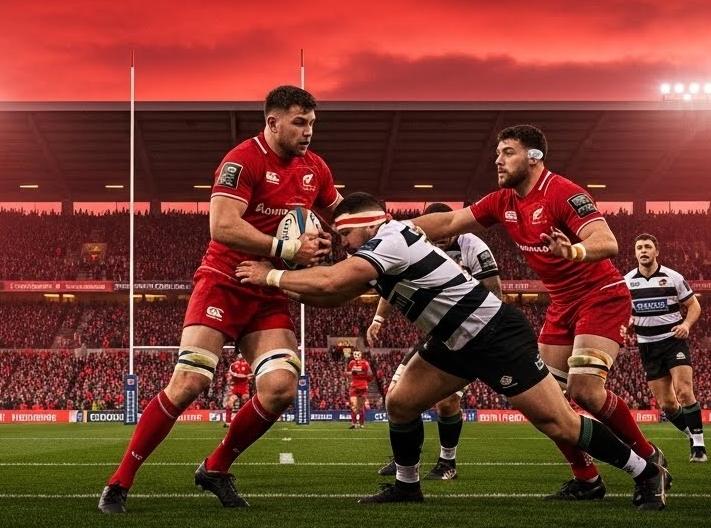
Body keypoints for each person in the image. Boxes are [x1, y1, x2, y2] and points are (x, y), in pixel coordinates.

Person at [236, 192, 669, 509]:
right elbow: (334, 294)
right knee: (401, 403)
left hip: (493, 334)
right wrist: (289, 287)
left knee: (558, 422)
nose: (341, 242)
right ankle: (408, 485)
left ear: (367, 225)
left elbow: (332, 282)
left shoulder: (389, 240)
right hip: (454, 339)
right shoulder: (379, 245)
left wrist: (272, 276)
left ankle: (645, 471)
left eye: (344, 234)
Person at [100, 85, 341, 513]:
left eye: (312, 123)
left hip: (268, 288)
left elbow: (341, 212)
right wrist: (287, 250)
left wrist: (340, 236)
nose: (308, 132)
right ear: (273, 122)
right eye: (299, 122)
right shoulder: (241, 160)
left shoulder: (315, 168)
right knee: (190, 381)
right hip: (223, 281)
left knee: (282, 388)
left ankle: (215, 467)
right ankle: (119, 482)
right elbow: (222, 226)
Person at [409, 125, 666, 501]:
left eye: (508, 152)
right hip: (561, 305)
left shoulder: (563, 192)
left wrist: (574, 251)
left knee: (586, 392)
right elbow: (448, 222)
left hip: (600, 295)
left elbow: (607, 242)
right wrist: (391, 229)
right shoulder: (503, 201)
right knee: (546, 401)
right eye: (498, 152)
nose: (498, 159)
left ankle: (649, 460)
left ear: (534, 158)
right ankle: (587, 479)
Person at [370, 202, 502, 480]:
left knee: (446, 402)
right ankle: (406, 457)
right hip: (437, 332)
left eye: (446, 231)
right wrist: (379, 319)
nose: (440, 238)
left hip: (469, 333)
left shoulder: (473, 247)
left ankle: (447, 464)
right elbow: (391, 280)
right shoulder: (416, 242)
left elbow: (494, 293)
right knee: (397, 395)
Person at [625, 234, 707, 462]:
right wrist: (628, 324)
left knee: (683, 390)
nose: (643, 250)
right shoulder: (627, 281)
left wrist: (686, 325)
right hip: (647, 347)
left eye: (648, 247)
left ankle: (699, 446)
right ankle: (691, 433)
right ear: (635, 253)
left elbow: (694, 305)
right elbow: (625, 313)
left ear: (656, 251)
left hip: (673, 342)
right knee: (668, 404)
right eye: (639, 247)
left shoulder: (673, 277)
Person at [222, 354, 253, 428]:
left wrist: (247, 377)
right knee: (230, 403)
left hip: (244, 386)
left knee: (244, 402)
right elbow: (230, 375)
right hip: (235, 387)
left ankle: (244, 421)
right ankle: (228, 422)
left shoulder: (247, 365)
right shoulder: (233, 365)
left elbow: (252, 374)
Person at [346, 349, 374, 429]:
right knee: (353, 406)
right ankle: (354, 423)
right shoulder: (351, 363)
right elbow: (353, 371)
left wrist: (354, 372)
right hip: (354, 387)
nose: (356, 356)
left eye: (358, 354)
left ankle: (361, 424)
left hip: (362, 387)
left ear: (361, 355)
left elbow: (365, 372)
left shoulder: (365, 363)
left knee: (361, 407)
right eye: (355, 354)